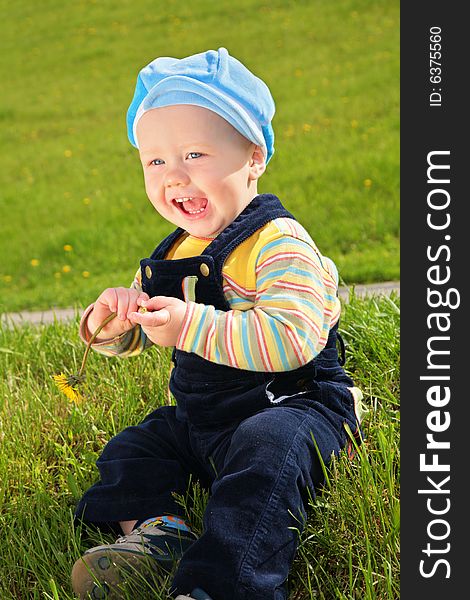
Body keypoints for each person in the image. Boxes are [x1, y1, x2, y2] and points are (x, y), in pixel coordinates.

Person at [71, 47, 364, 600]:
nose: (174, 175)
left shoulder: (279, 243)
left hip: (291, 406)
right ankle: (157, 535)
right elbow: (140, 329)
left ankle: (219, 585)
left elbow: (294, 339)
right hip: (204, 419)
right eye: (154, 161)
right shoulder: (180, 247)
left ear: (254, 156)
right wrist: (113, 320)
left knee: (263, 469)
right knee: (133, 450)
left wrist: (188, 326)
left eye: (195, 153)